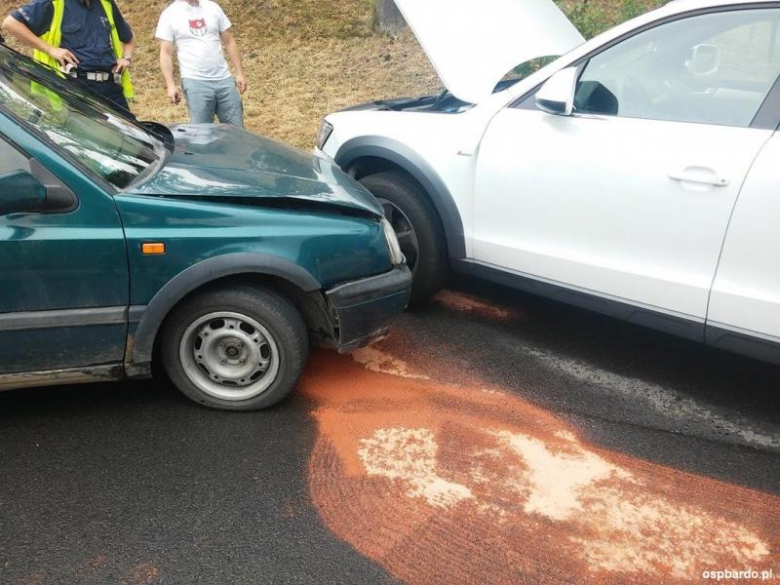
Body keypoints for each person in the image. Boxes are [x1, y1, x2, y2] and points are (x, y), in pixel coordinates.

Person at [1, 0, 135, 114]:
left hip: (111, 86)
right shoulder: (54, 3)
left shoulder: (106, 4)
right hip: (78, 89)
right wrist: (50, 49)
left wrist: (127, 58)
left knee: (136, 139)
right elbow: (11, 24)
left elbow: (128, 37)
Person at [156, 0, 247, 127]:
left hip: (224, 79)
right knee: (202, 133)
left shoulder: (213, 8)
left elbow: (229, 41)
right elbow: (165, 53)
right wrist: (170, 85)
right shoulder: (170, 14)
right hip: (195, 82)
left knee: (237, 131)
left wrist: (240, 73)